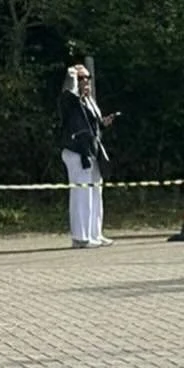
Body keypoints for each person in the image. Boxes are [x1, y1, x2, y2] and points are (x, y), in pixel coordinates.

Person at [58, 65, 118, 249]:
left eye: (88, 78)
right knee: (81, 194)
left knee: (95, 193)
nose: (86, 82)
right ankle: (80, 237)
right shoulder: (70, 100)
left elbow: (94, 125)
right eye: (81, 78)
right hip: (77, 151)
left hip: (92, 152)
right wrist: (72, 75)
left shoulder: (89, 101)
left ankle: (95, 233)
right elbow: (68, 94)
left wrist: (104, 123)